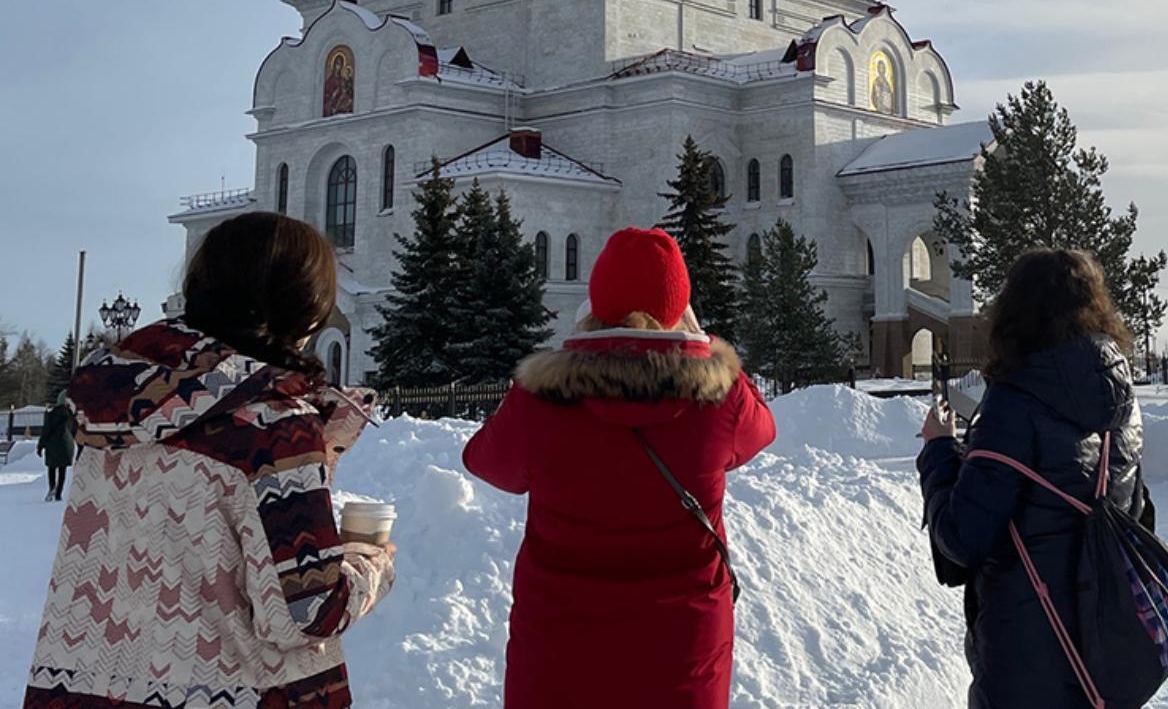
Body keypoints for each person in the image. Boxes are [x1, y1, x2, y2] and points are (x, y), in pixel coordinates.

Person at [22, 212, 395, 709]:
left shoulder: (112, 410)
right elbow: (306, 612)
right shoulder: (272, 424)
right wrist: (371, 563)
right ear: (301, 306)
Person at [464, 226, 776, 709]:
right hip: (683, 650)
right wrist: (704, 339)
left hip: (559, 651)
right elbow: (761, 431)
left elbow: (485, 461)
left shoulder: (543, 396)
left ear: (595, 303)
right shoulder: (718, 396)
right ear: (681, 308)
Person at [917, 247, 1146, 709]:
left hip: (1026, 645)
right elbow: (1136, 511)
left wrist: (939, 450)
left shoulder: (1015, 401)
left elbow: (962, 536)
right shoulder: (1122, 400)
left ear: (1014, 312)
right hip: (1107, 637)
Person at [37, 390, 75, 501]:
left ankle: (52, 488)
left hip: (52, 444)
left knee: (52, 468)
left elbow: (46, 431)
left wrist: (40, 446)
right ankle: (59, 493)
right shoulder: (70, 415)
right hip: (66, 445)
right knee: (62, 470)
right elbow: (74, 430)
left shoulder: (52, 414)